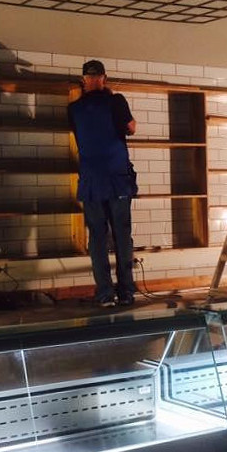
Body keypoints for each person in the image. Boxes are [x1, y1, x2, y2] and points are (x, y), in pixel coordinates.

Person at [68, 59, 138, 307]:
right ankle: (126, 292)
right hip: (117, 179)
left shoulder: (74, 109)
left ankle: (105, 293)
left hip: (91, 181)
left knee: (97, 239)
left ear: (84, 80)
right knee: (121, 236)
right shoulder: (115, 101)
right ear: (103, 78)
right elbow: (131, 128)